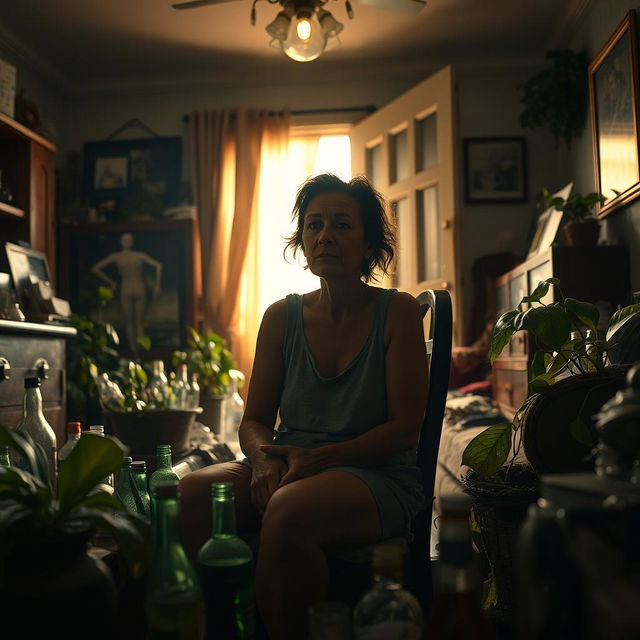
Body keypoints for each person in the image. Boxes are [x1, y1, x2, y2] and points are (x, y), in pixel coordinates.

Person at [180, 173, 429, 639]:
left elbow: (405, 431)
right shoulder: (281, 317)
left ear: (369, 241)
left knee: (290, 509)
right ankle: (221, 627)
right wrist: (259, 461)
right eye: (314, 225)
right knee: (191, 494)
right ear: (302, 240)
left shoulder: (397, 312)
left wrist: (318, 459)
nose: (325, 236)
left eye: (341, 224)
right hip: (291, 465)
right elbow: (254, 421)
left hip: (377, 476)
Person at [91, 232, 162, 350]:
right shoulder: (127, 256)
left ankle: (138, 350)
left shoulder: (129, 256)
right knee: (133, 322)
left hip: (129, 286)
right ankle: (135, 350)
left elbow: (158, 265)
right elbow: (95, 268)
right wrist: (110, 282)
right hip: (134, 286)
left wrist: (157, 285)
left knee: (136, 322)